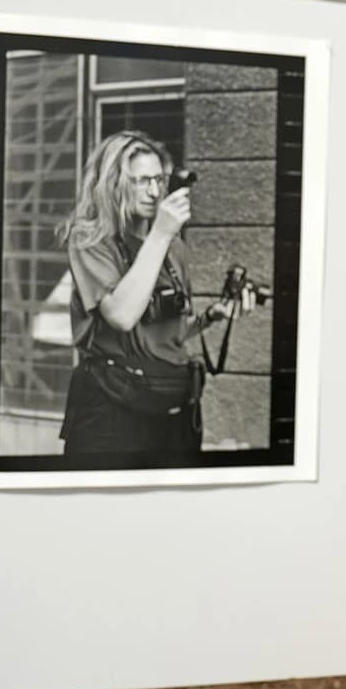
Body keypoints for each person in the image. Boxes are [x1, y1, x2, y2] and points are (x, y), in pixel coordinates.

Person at [56, 132, 252, 457]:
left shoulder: (175, 247)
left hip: (170, 405)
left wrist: (209, 318)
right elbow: (121, 316)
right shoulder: (91, 241)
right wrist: (160, 234)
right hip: (112, 408)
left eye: (159, 179)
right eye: (141, 181)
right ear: (114, 184)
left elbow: (157, 335)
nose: (154, 191)